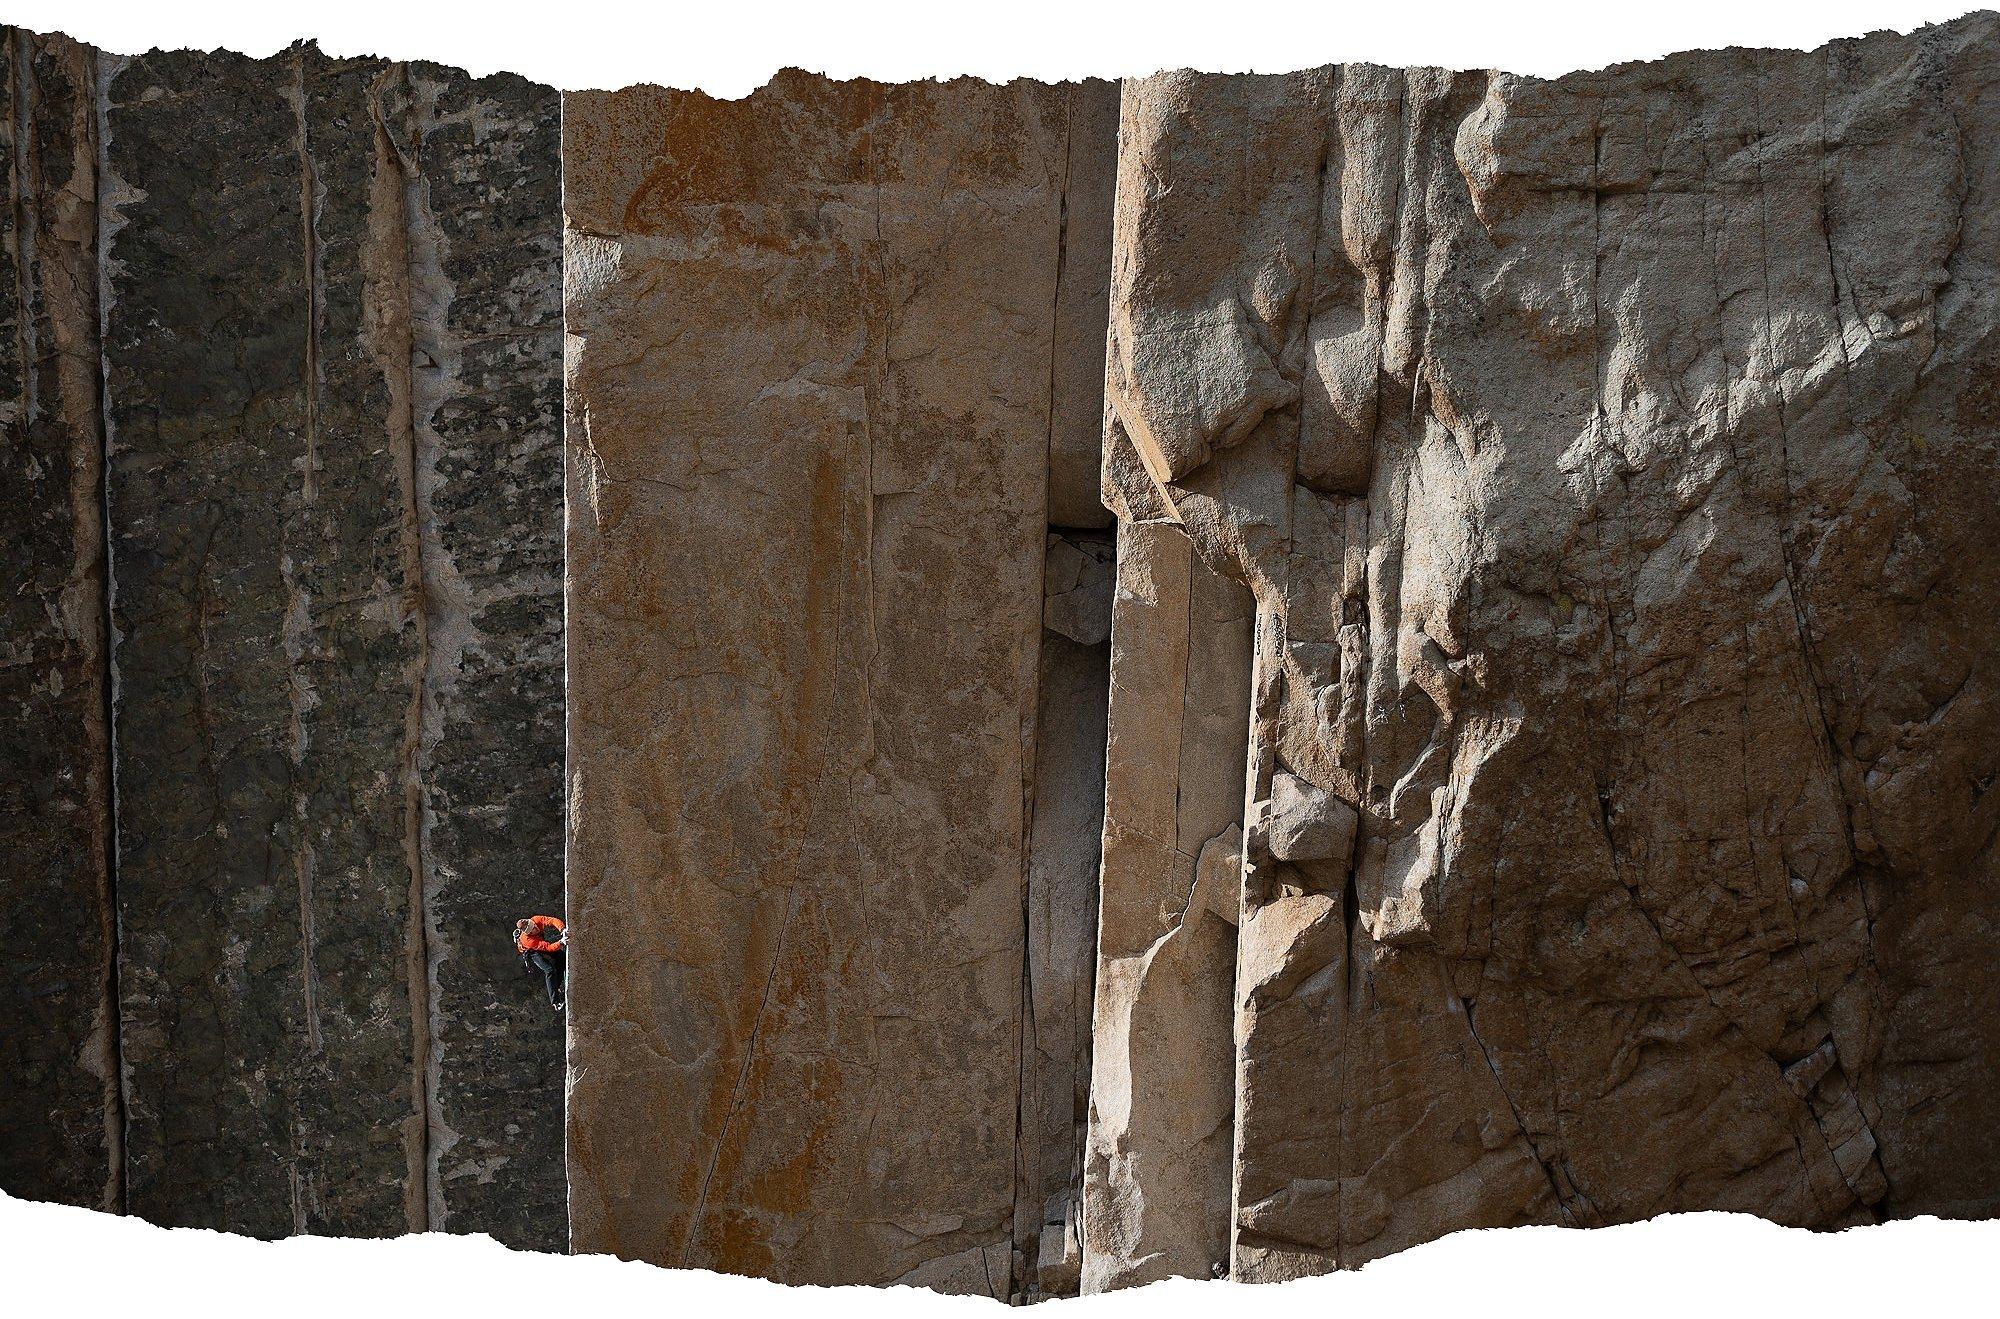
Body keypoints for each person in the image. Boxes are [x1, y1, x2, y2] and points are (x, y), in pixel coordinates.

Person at [514, 915, 566, 1011]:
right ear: (528, 933)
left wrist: (562, 929)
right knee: (549, 970)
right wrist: (561, 943)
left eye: (534, 926)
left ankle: (557, 986)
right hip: (532, 951)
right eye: (532, 930)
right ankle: (556, 1002)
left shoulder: (536, 919)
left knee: (561, 957)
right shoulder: (528, 940)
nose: (536, 929)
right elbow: (547, 947)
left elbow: (552, 920)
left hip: (539, 942)